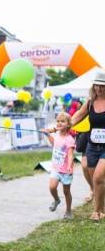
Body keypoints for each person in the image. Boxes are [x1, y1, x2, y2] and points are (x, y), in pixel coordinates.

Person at [71, 70, 105, 222]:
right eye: (97, 85)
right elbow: (77, 116)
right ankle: (101, 208)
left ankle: (97, 211)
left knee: (98, 177)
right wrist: (63, 126)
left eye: (102, 86)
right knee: (96, 181)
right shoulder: (90, 102)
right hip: (92, 147)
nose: (99, 88)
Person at [43, 112, 75, 219]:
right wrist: (48, 135)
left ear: (68, 124)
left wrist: (69, 166)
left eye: (62, 121)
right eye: (58, 121)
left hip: (66, 170)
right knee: (52, 187)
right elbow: (54, 144)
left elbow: (70, 154)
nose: (59, 123)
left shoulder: (70, 139)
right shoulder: (56, 135)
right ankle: (56, 200)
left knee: (66, 192)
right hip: (56, 168)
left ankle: (68, 211)